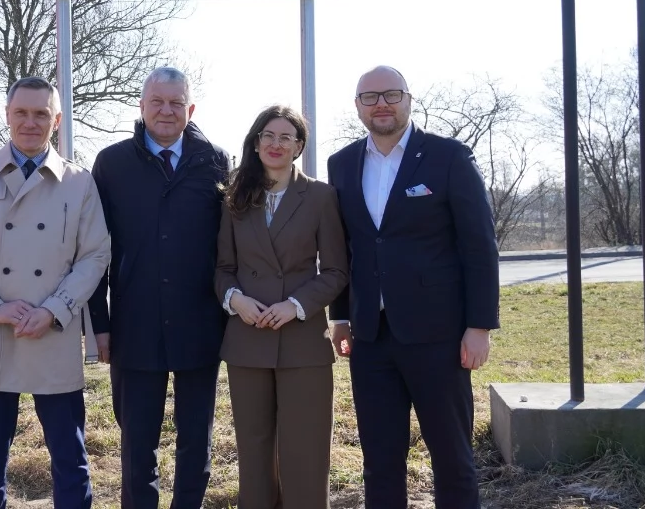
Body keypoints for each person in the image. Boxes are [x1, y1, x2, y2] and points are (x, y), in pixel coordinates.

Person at [325, 66, 500, 509]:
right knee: (380, 460)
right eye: (369, 97)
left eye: (391, 94)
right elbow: (345, 247)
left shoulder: (448, 157)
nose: (381, 103)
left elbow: (479, 246)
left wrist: (479, 325)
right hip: (370, 338)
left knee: (452, 456)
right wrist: (341, 315)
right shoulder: (342, 164)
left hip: (439, 336)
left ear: (408, 99)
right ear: (357, 106)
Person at [0, 76, 111, 509]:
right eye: (21, 113)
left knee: (71, 458)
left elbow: (94, 255)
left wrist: (53, 310)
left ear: (56, 121)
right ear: (7, 115)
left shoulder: (79, 182)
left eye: (41, 114)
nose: (30, 122)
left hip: (52, 334)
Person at [86, 67, 232, 508]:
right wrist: (100, 324)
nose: (166, 111)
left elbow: (229, 245)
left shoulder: (216, 161)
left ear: (190, 108)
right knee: (136, 445)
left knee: (196, 443)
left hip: (200, 324)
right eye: (157, 102)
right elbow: (93, 251)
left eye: (176, 103)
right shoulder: (111, 164)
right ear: (142, 107)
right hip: (135, 325)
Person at [214, 105, 349, 508]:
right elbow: (223, 268)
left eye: (285, 137)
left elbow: (337, 270)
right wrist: (235, 300)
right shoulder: (234, 197)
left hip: (303, 340)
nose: (276, 144)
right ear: (256, 144)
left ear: (299, 147)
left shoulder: (321, 196)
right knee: (253, 452)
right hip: (247, 340)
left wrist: (296, 305)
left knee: (305, 451)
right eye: (268, 136)